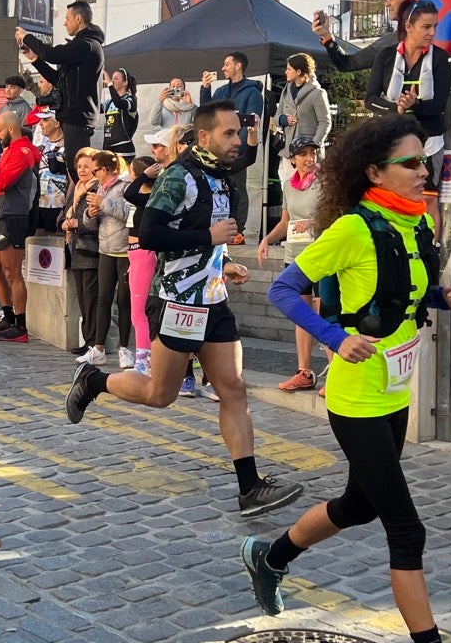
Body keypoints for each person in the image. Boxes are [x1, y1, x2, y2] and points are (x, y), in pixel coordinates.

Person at [253, 113, 451, 643]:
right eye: (411, 163)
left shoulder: (413, 225)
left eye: (426, 162)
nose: (424, 172)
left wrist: (438, 298)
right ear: (375, 172)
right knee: (406, 528)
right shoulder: (350, 228)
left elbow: (397, 293)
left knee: (359, 505)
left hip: (394, 392)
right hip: (356, 397)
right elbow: (283, 291)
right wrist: (333, 339)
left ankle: (270, 557)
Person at [64, 102, 299, 518]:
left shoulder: (220, 179)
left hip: (213, 299)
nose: (237, 142)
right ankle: (94, 380)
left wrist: (224, 262)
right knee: (160, 394)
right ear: (204, 136)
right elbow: (151, 233)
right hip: (176, 300)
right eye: (229, 133)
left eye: (239, 133)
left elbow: (209, 241)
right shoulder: (179, 176)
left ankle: (250, 487)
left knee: (233, 388)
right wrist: (208, 235)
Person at [365, 0, 451, 219]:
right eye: (426, 27)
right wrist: (395, 107)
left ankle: (430, 249)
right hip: (392, 137)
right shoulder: (386, 56)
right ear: (409, 27)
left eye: (435, 26)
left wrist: (415, 105)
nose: (432, 33)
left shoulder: (440, 58)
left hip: (429, 141)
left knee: (428, 198)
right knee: (392, 195)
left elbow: (439, 105)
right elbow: (370, 99)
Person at [258, 136, 327, 394]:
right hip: (295, 255)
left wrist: (314, 223)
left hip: (320, 254)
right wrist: (267, 238)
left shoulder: (325, 182)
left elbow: (336, 215)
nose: (310, 158)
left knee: (324, 314)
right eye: (304, 154)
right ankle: (304, 372)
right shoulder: (289, 185)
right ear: (293, 159)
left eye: (313, 153)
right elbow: (286, 222)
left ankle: (335, 372)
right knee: (301, 314)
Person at [18, 1, 105, 177]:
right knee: (70, 169)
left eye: (67, 18)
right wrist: (35, 60)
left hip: (78, 117)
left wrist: (27, 37)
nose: (65, 23)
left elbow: (53, 54)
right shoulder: (80, 47)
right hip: (71, 116)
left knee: (78, 170)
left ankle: (86, 203)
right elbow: (58, 79)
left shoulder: (86, 45)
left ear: (78, 18)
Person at [0, 109, 39, 343]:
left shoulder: (21, 152)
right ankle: (8, 315)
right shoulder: (11, 151)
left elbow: (1, 181)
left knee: (12, 272)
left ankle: (20, 326)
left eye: (0, 130)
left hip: (10, 215)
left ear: (11, 129)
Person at [122, 131, 175, 377]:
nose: (131, 178)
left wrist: (144, 175)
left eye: (133, 174)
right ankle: (145, 355)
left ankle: (144, 358)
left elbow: (129, 193)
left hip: (144, 254)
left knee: (139, 311)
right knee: (136, 310)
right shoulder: (146, 196)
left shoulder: (151, 196)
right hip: (135, 255)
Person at [199, 52, 264, 237]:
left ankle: (238, 230)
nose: (222, 68)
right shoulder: (221, 92)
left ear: (238, 66)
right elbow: (206, 115)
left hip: (237, 152)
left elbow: (251, 122)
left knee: (237, 189)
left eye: (227, 64)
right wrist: (205, 88)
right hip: (216, 151)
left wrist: (237, 146)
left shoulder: (252, 93)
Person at [93, 151, 136, 369]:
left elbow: (131, 214)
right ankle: (98, 348)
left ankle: (125, 348)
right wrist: (90, 213)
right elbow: (99, 215)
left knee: (124, 300)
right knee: (103, 298)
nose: (94, 175)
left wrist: (103, 204)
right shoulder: (102, 187)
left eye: (95, 171)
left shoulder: (126, 185)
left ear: (107, 169)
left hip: (125, 250)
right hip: (105, 248)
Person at [312, 0, 409, 73]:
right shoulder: (389, 40)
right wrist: (327, 36)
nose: (387, 3)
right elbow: (348, 64)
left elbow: (348, 64)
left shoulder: (392, 40)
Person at [63, 147, 104, 364]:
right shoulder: (75, 188)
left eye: (87, 166)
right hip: (74, 249)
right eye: (79, 166)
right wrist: (65, 221)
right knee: (82, 297)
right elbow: (64, 211)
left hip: (90, 250)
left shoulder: (97, 189)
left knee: (92, 299)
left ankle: (94, 342)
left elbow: (99, 221)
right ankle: (87, 339)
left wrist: (78, 223)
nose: (82, 170)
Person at [274, 53, 330, 163]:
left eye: (289, 69)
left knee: (310, 181)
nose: (286, 72)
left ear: (299, 72)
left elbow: (325, 122)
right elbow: (276, 117)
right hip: (288, 152)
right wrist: (283, 119)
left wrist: (314, 144)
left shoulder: (318, 93)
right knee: (288, 181)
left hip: (309, 154)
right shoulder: (286, 91)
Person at [101, 69, 139, 160]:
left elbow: (119, 103)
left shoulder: (130, 100)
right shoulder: (109, 102)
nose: (112, 81)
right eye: (112, 79)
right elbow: (95, 108)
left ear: (125, 82)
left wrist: (109, 84)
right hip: (108, 146)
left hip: (122, 146)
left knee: (122, 174)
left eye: (116, 78)